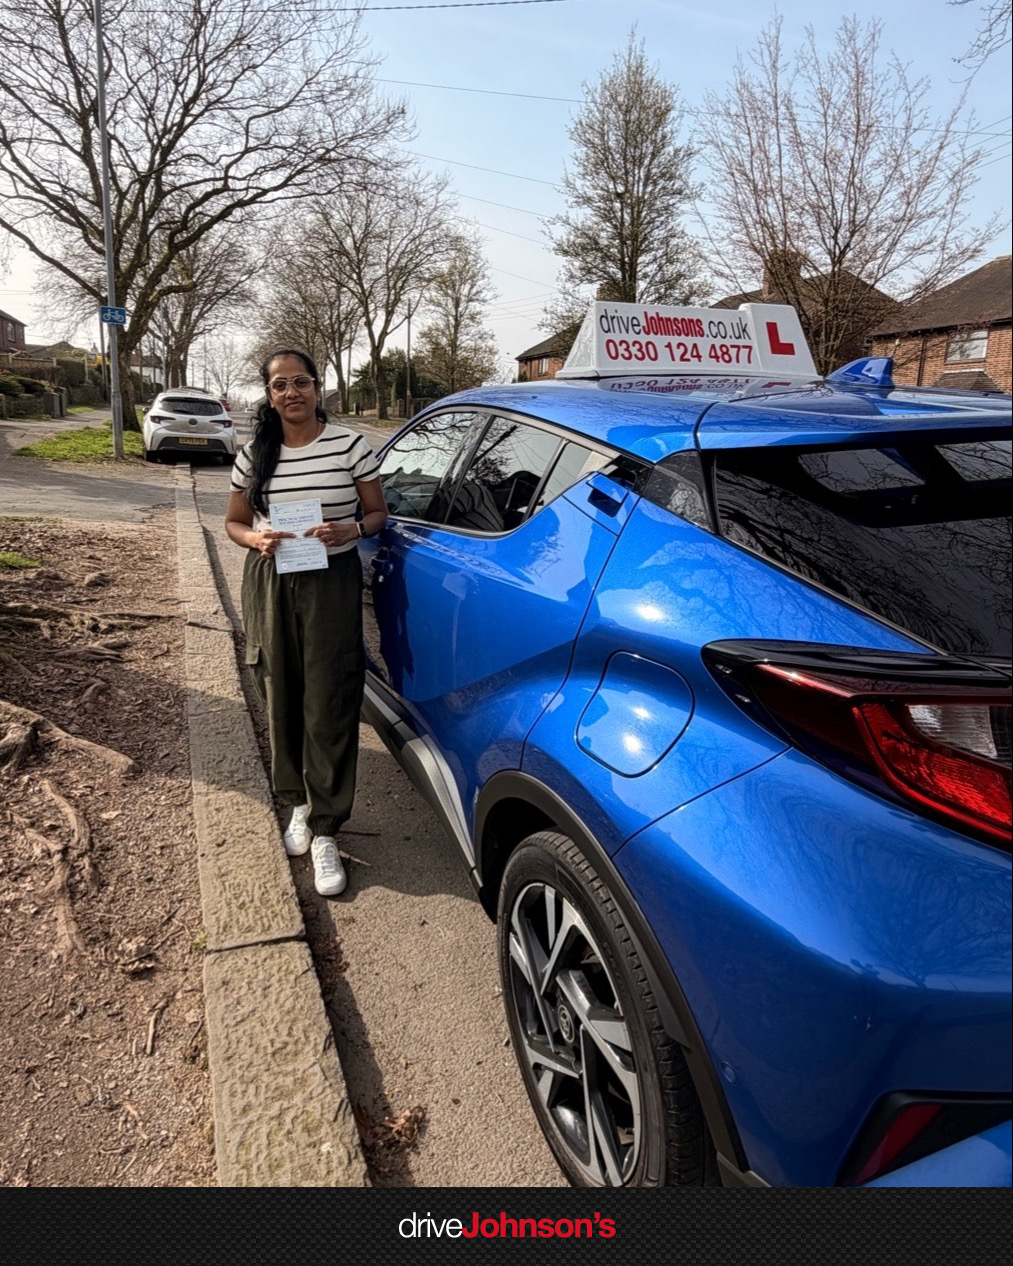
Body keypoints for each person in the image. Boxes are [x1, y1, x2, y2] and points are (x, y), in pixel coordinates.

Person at [225, 350, 387, 896]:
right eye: (279, 385)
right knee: (280, 693)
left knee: (330, 697)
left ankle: (325, 827)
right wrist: (256, 538)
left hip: (330, 581)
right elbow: (234, 522)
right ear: (268, 395)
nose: (290, 392)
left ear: (318, 388)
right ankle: (296, 802)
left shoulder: (349, 446)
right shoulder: (255, 453)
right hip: (271, 578)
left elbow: (377, 513)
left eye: (300, 382)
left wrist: (353, 531)